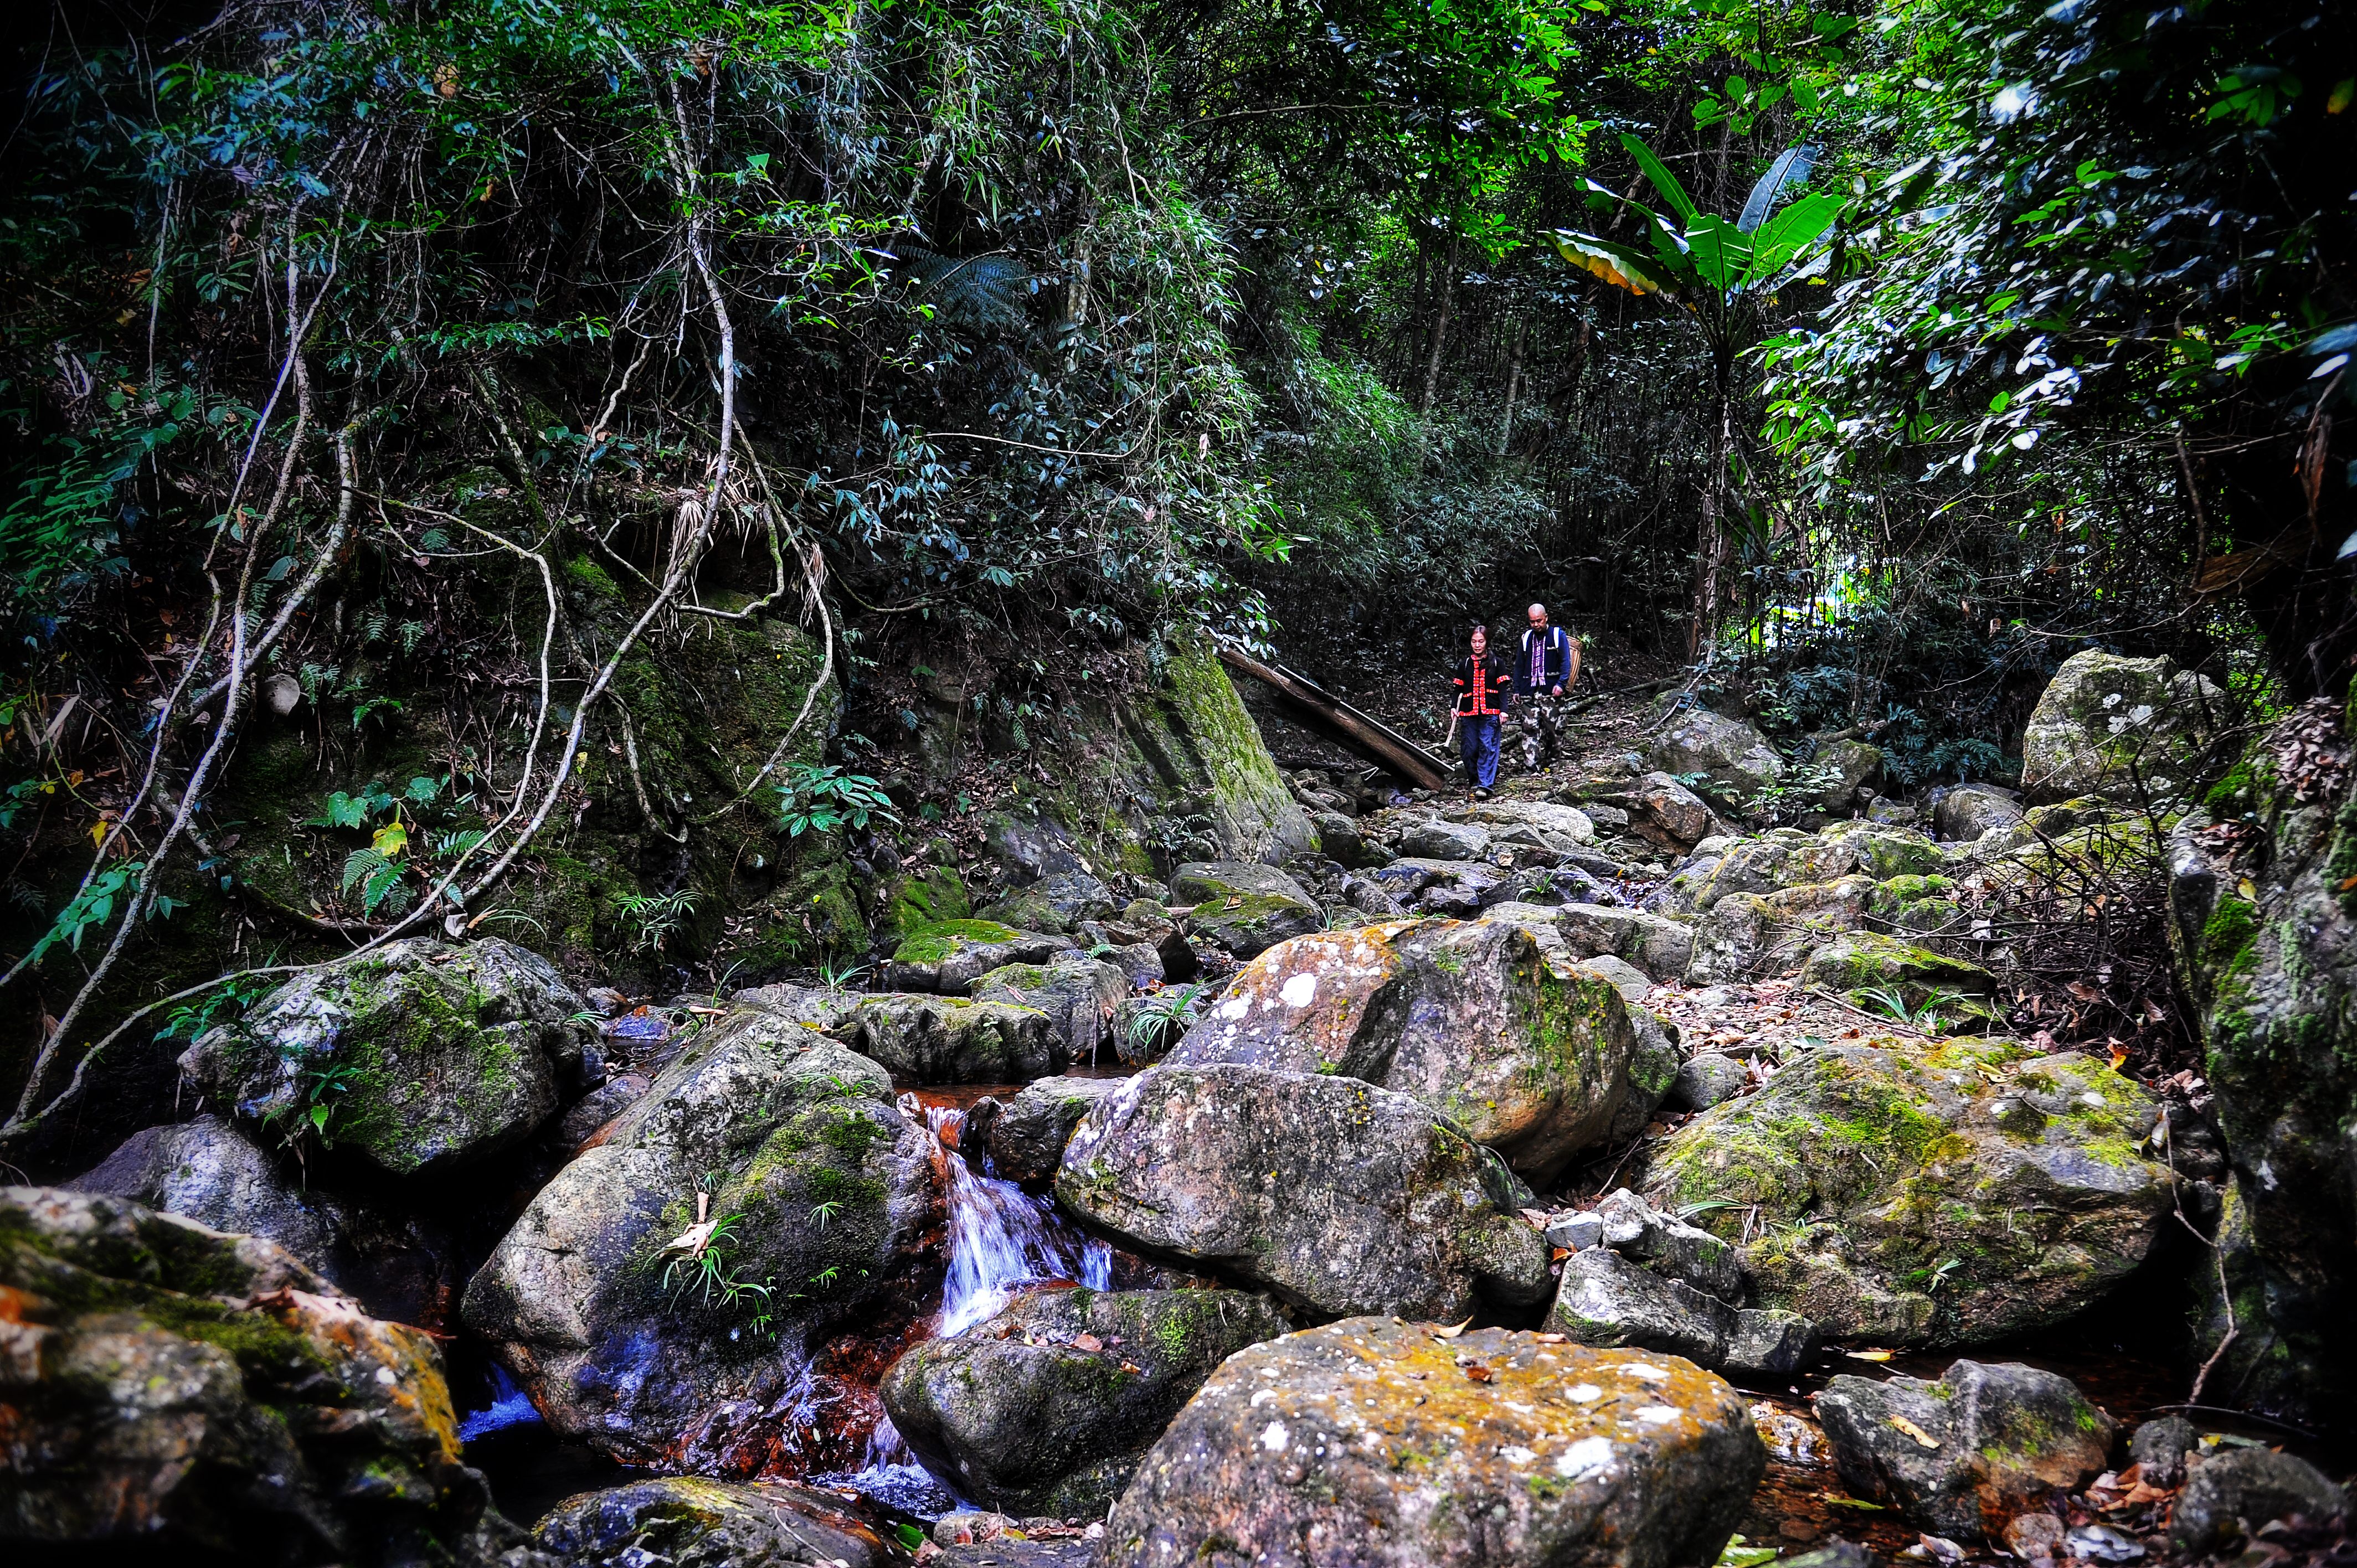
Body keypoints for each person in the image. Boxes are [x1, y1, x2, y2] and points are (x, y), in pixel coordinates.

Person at [1515, 602, 1581, 774]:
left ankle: (1552, 762)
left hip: (1551, 692)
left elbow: (1566, 662)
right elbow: (1520, 665)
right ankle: (1531, 767)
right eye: (1532, 622)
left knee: (1553, 729)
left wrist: (1561, 684)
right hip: (1529, 691)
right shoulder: (1526, 638)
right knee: (1529, 729)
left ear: (1546, 618)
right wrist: (1517, 689)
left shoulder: (1558, 636)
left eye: (1539, 621)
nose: (1536, 625)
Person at [1450, 623, 1513, 798]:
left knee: (1488, 746)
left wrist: (1504, 710)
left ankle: (1485, 785)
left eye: (1481, 641)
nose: (1477, 645)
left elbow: (1502, 689)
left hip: (1491, 712)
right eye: (1474, 642)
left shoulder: (1496, 663)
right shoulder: (1465, 664)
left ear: (1487, 642)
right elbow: (1458, 689)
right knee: (1469, 749)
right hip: (1469, 713)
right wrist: (1454, 707)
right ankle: (1475, 780)